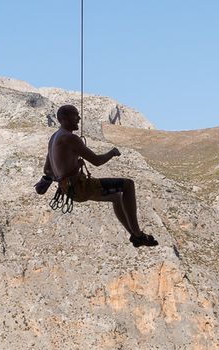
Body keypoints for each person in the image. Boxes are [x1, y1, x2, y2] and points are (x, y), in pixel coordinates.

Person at [45, 104, 158, 247]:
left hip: (69, 190)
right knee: (128, 185)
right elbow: (97, 161)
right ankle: (138, 233)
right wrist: (112, 153)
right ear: (64, 119)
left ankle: (135, 236)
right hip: (81, 187)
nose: (79, 118)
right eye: (75, 115)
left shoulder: (53, 138)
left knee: (116, 198)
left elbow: (47, 170)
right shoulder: (70, 138)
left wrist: (66, 173)